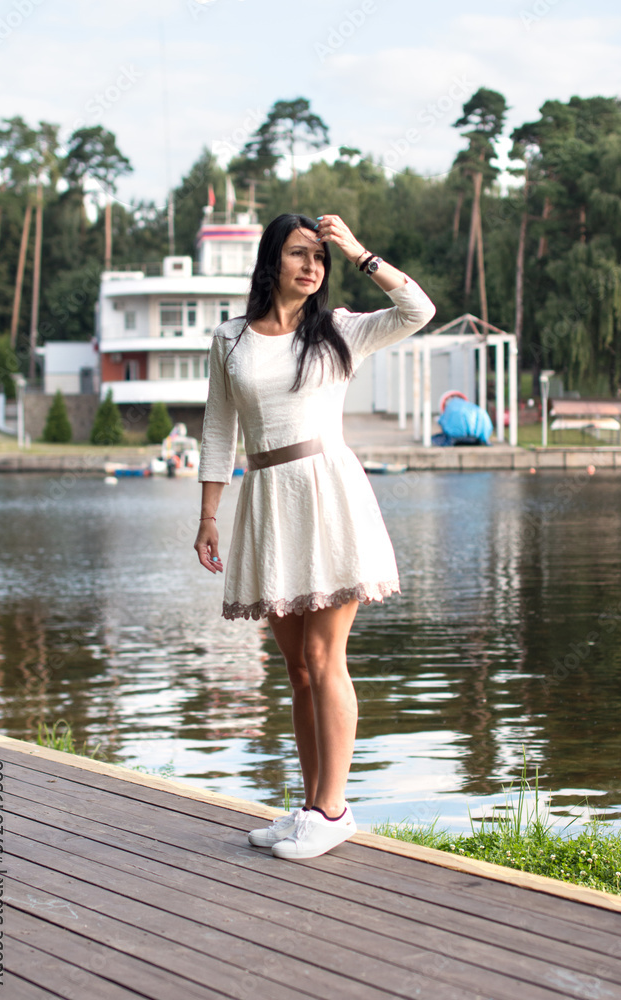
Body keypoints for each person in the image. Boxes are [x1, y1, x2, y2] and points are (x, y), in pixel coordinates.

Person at [194, 213, 435, 859]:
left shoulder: (339, 331)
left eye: (318, 258)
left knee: (327, 660)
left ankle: (333, 810)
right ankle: (309, 805)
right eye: (298, 254)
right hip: (267, 498)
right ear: (271, 260)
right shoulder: (229, 339)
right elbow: (219, 430)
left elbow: (417, 308)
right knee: (297, 669)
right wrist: (208, 514)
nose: (311, 266)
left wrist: (358, 250)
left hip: (328, 495)